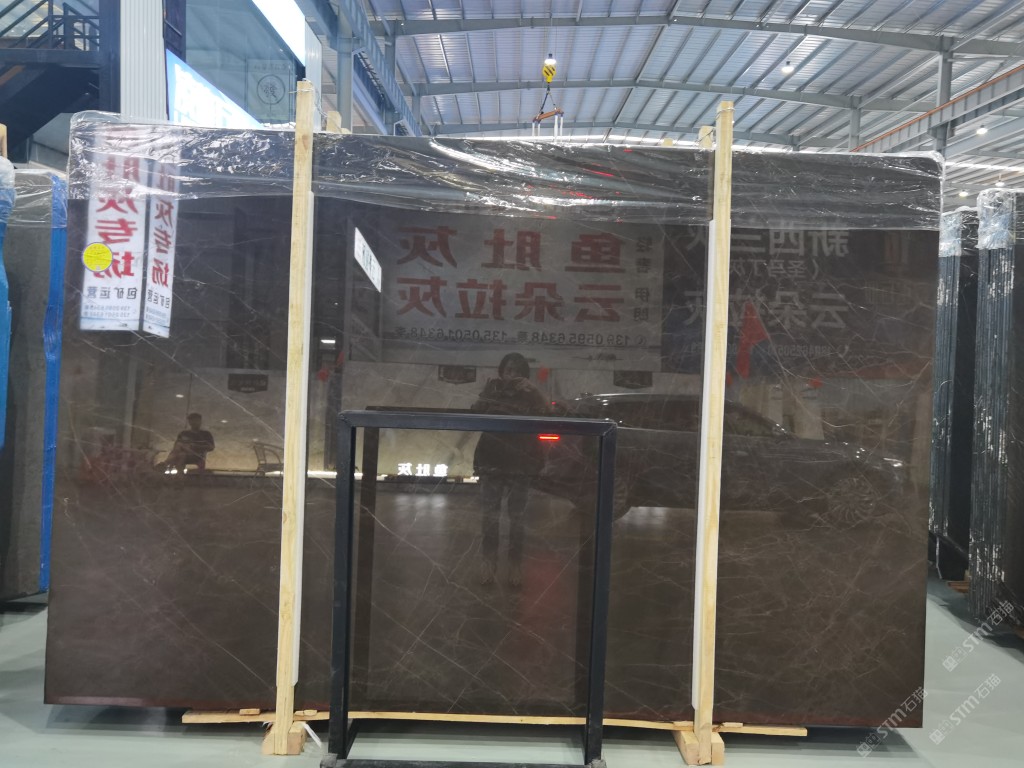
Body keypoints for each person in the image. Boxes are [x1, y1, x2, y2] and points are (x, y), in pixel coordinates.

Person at [472, 353, 549, 587]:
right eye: (508, 370)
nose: (511, 375)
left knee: (517, 518)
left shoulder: (530, 394)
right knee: (490, 516)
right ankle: (488, 563)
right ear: (501, 371)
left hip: (520, 460)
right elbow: (475, 412)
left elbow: (548, 414)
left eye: (517, 371)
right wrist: (487, 394)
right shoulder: (493, 389)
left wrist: (534, 392)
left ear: (525, 375)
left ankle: (515, 565)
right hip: (492, 457)